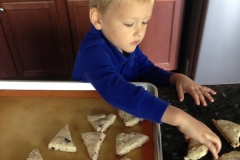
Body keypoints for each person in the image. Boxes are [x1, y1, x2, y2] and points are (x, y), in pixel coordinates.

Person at [72, 0, 221, 159]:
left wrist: (174, 77)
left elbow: (144, 70)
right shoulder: (93, 52)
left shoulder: (124, 41)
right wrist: (180, 119)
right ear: (97, 19)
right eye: (129, 24)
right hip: (88, 114)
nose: (139, 32)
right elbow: (117, 90)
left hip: (121, 111)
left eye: (144, 22)